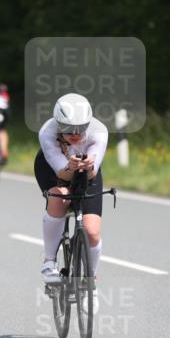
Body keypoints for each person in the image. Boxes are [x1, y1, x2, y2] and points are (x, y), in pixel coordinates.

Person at [34, 93, 109, 290]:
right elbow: (62, 174)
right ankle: (49, 262)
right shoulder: (47, 132)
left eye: (81, 127)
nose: (75, 133)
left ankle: (90, 280)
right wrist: (70, 167)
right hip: (53, 169)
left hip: (86, 171)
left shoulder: (99, 131)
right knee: (60, 198)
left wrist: (88, 166)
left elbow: (92, 173)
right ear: (58, 124)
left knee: (92, 232)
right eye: (67, 129)